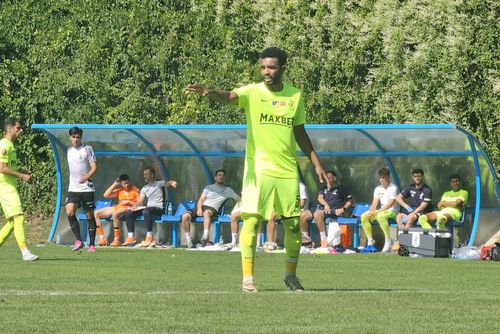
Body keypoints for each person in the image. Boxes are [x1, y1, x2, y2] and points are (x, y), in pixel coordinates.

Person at [186, 46, 329, 292]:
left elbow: (300, 132)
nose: (266, 72)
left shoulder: (295, 96)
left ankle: (290, 275)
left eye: (271, 67)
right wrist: (210, 93)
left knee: (293, 225)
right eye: (263, 67)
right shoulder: (252, 92)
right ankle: (248, 279)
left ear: (282, 68)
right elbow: (230, 96)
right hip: (258, 170)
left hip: (286, 171)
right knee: (251, 221)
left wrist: (316, 164)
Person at [0, 117, 39, 261]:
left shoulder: (10, 145)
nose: (20, 130)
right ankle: (25, 252)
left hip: (9, 186)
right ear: (9, 129)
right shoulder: (4, 144)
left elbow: (9, 167)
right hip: (5, 186)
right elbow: (2, 169)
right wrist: (21, 176)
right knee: (19, 217)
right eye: (18, 128)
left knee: (12, 222)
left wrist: (22, 171)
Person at [182, 169, 240, 248]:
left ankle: (205, 235)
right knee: (185, 216)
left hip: (213, 208)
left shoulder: (228, 190)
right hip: (202, 206)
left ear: (224, 178)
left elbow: (238, 198)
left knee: (207, 213)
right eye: (219, 175)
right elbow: (201, 200)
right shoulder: (208, 187)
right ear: (215, 177)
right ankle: (188, 240)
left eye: (223, 176)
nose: (221, 177)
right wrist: (199, 208)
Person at [124, 167, 177, 247]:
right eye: (144, 174)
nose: (144, 176)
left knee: (146, 211)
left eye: (146, 174)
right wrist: (135, 205)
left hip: (158, 208)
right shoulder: (144, 188)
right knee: (129, 212)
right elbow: (140, 201)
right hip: (148, 209)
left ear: (152, 175)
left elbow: (167, 183)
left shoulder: (159, 183)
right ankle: (130, 237)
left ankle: (149, 236)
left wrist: (172, 182)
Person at [65, 126, 97, 252]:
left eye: (78, 137)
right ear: (70, 138)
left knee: (89, 215)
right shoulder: (69, 151)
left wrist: (87, 176)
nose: (76, 139)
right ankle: (79, 240)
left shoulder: (87, 149)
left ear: (81, 138)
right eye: (73, 137)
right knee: (69, 212)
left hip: (86, 189)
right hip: (73, 188)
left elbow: (94, 166)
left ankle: (92, 244)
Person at [305, 171, 353, 248]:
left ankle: (323, 240)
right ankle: (305, 240)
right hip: (322, 208)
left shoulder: (341, 188)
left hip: (333, 211)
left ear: (334, 178)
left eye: (329, 178)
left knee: (317, 214)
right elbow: (319, 198)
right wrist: (326, 205)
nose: (327, 180)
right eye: (326, 179)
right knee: (303, 215)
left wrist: (343, 209)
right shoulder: (324, 187)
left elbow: (350, 201)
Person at [94, 174, 140, 247]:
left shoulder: (135, 190)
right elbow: (106, 195)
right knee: (96, 213)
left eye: (128, 182)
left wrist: (129, 202)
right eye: (124, 183)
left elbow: (139, 203)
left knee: (116, 213)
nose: (127, 185)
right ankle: (102, 239)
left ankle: (116, 239)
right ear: (121, 184)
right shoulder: (120, 190)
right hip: (118, 207)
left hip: (128, 208)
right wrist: (114, 184)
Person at [360, 167, 399, 252]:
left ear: (388, 177)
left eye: (383, 177)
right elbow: (374, 203)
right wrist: (371, 212)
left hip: (392, 212)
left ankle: (388, 240)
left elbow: (390, 204)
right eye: (380, 177)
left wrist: (378, 212)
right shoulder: (378, 188)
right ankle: (370, 242)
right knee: (364, 216)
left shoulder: (393, 188)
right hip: (381, 211)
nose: (381, 179)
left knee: (381, 216)